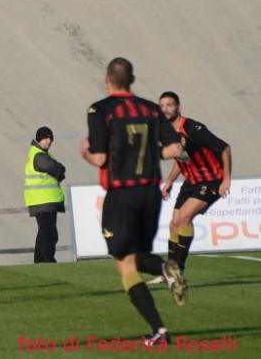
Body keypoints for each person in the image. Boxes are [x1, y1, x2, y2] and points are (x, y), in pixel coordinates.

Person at [79, 57, 186, 348]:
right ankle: (165, 274)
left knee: (124, 264)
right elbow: (176, 148)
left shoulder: (100, 110)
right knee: (135, 255)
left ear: (107, 79)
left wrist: (85, 153)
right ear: (132, 79)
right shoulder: (152, 109)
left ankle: (160, 329)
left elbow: (99, 157)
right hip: (151, 194)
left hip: (122, 194)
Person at [155, 91, 232, 276]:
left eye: (169, 105)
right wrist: (169, 182)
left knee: (184, 217)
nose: (165, 109)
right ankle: (170, 270)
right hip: (191, 181)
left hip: (211, 179)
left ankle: (178, 270)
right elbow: (182, 158)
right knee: (174, 224)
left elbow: (224, 148)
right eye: (162, 106)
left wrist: (227, 179)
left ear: (178, 107)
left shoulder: (192, 128)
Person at [24, 126, 66, 263]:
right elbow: (54, 168)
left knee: (45, 232)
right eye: (46, 138)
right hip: (43, 199)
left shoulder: (40, 153)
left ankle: (40, 261)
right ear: (39, 139)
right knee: (48, 233)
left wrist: (58, 169)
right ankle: (47, 261)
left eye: (50, 138)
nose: (48, 141)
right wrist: (60, 168)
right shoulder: (39, 155)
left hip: (43, 200)